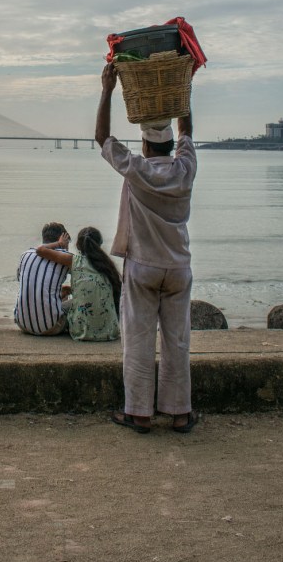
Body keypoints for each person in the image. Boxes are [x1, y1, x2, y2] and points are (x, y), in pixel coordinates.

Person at [95, 63, 198, 434]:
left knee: (137, 340)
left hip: (142, 267)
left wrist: (107, 89)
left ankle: (138, 412)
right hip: (178, 268)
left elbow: (102, 139)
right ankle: (180, 412)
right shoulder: (185, 168)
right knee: (177, 340)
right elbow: (186, 128)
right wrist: (181, 89)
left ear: (144, 143)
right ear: (171, 144)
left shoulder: (136, 169)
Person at [35, 226, 121, 341]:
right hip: (110, 331)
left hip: (81, 331)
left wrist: (59, 244)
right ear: (100, 244)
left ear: (77, 245)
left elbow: (40, 250)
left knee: (65, 301)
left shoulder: (73, 260)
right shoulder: (107, 265)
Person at [14, 222, 72, 336]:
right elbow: (80, 284)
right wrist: (63, 247)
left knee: (61, 292)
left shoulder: (26, 254)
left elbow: (22, 280)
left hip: (22, 324)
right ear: (62, 239)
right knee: (79, 301)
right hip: (52, 326)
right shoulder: (65, 257)